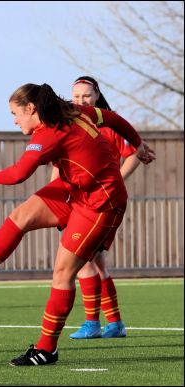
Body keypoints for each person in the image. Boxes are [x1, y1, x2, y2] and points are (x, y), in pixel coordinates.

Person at [0, 83, 155, 366]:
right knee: (21, 216)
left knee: (62, 273)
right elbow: (114, 119)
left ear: (31, 108)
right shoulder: (75, 112)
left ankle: (47, 349)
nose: (14, 120)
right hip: (74, 191)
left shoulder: (48, 134)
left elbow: (19, 174)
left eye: (15, 113)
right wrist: (138, 143)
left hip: (100, 203)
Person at [65, 76, 140, 339]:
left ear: (96, 95)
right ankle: (115, 323)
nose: (80, 101)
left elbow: (134, 156)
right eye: (76, 97)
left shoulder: (107, 123)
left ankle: (93, 324)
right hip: (81, 202)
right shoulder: (72, 124)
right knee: (96, 262)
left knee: (84, 260)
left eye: (86, 96)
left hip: (101, 203)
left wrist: (115, 181)